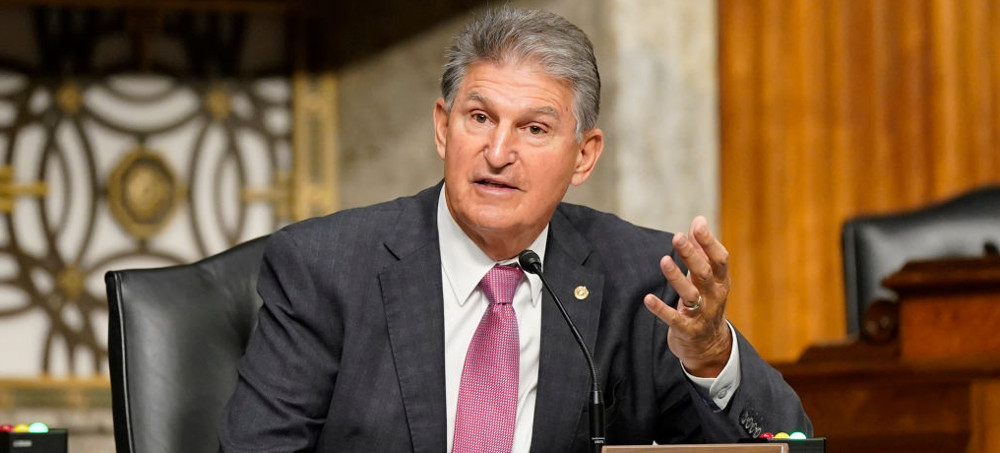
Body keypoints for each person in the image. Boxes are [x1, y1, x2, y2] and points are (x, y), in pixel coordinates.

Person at [219, 6, 810, 452]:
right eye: (480, 117)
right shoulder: (325, 267)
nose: (498, 152)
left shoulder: (641, 279)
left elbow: (785, 444)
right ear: (443, 127)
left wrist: (710, 355)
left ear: (584, 156)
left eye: (534, 129)